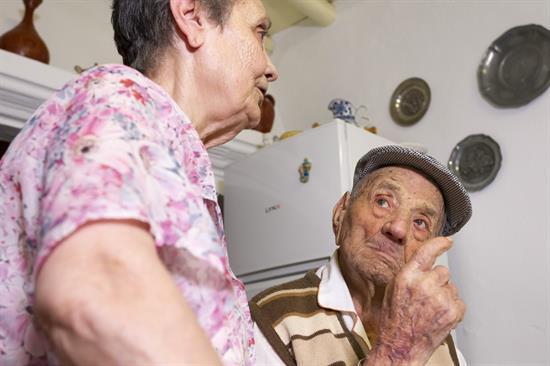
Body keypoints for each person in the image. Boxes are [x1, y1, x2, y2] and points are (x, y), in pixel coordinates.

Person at [0, 0, 277, 364]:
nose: (271, 69)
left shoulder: (166, 149)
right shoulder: (119, 97)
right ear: (192, 17)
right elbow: (96, 297)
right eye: (259, 32)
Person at [251, 145, 473, 366]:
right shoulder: (271, 320)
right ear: (341, 212)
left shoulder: (434, 338)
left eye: (420, 223)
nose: (397, 228)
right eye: (382, 201)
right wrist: (398, 351)